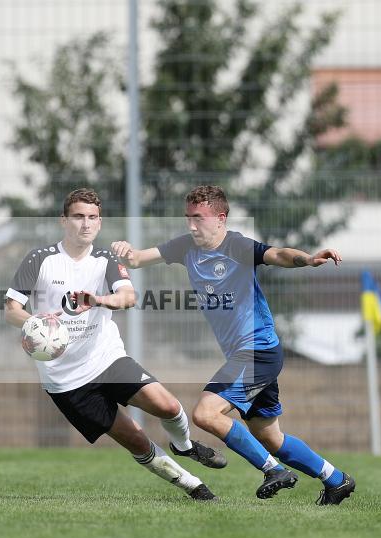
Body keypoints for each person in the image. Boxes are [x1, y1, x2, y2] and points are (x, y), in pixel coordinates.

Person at [111, 185, 355, 505]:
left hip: (257, 351)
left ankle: (272, 471)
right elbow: (140, 259)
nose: (191, 225)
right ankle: (337, 480)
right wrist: (124, 251)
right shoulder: (186, 247)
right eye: (188, 218)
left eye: (198, 218)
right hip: (248, 355)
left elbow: (277, 254)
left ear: (221, 218)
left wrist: (308, 259)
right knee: (271, 438)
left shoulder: (236, 245)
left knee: (205, 413)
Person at [4, 188, 225, 502]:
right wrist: (34, 324)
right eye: (78, 217)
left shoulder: (104, 259)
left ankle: (185, 445)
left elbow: (128, 297)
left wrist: (98, 300)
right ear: (63, 220)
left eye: (92, 218)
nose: (85, 224)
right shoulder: (40, 260)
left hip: (105, 359)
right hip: (65, 381)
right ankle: (194, 487)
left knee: (168, 406)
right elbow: (11, 308)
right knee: (136, 440)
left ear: (100, 222)